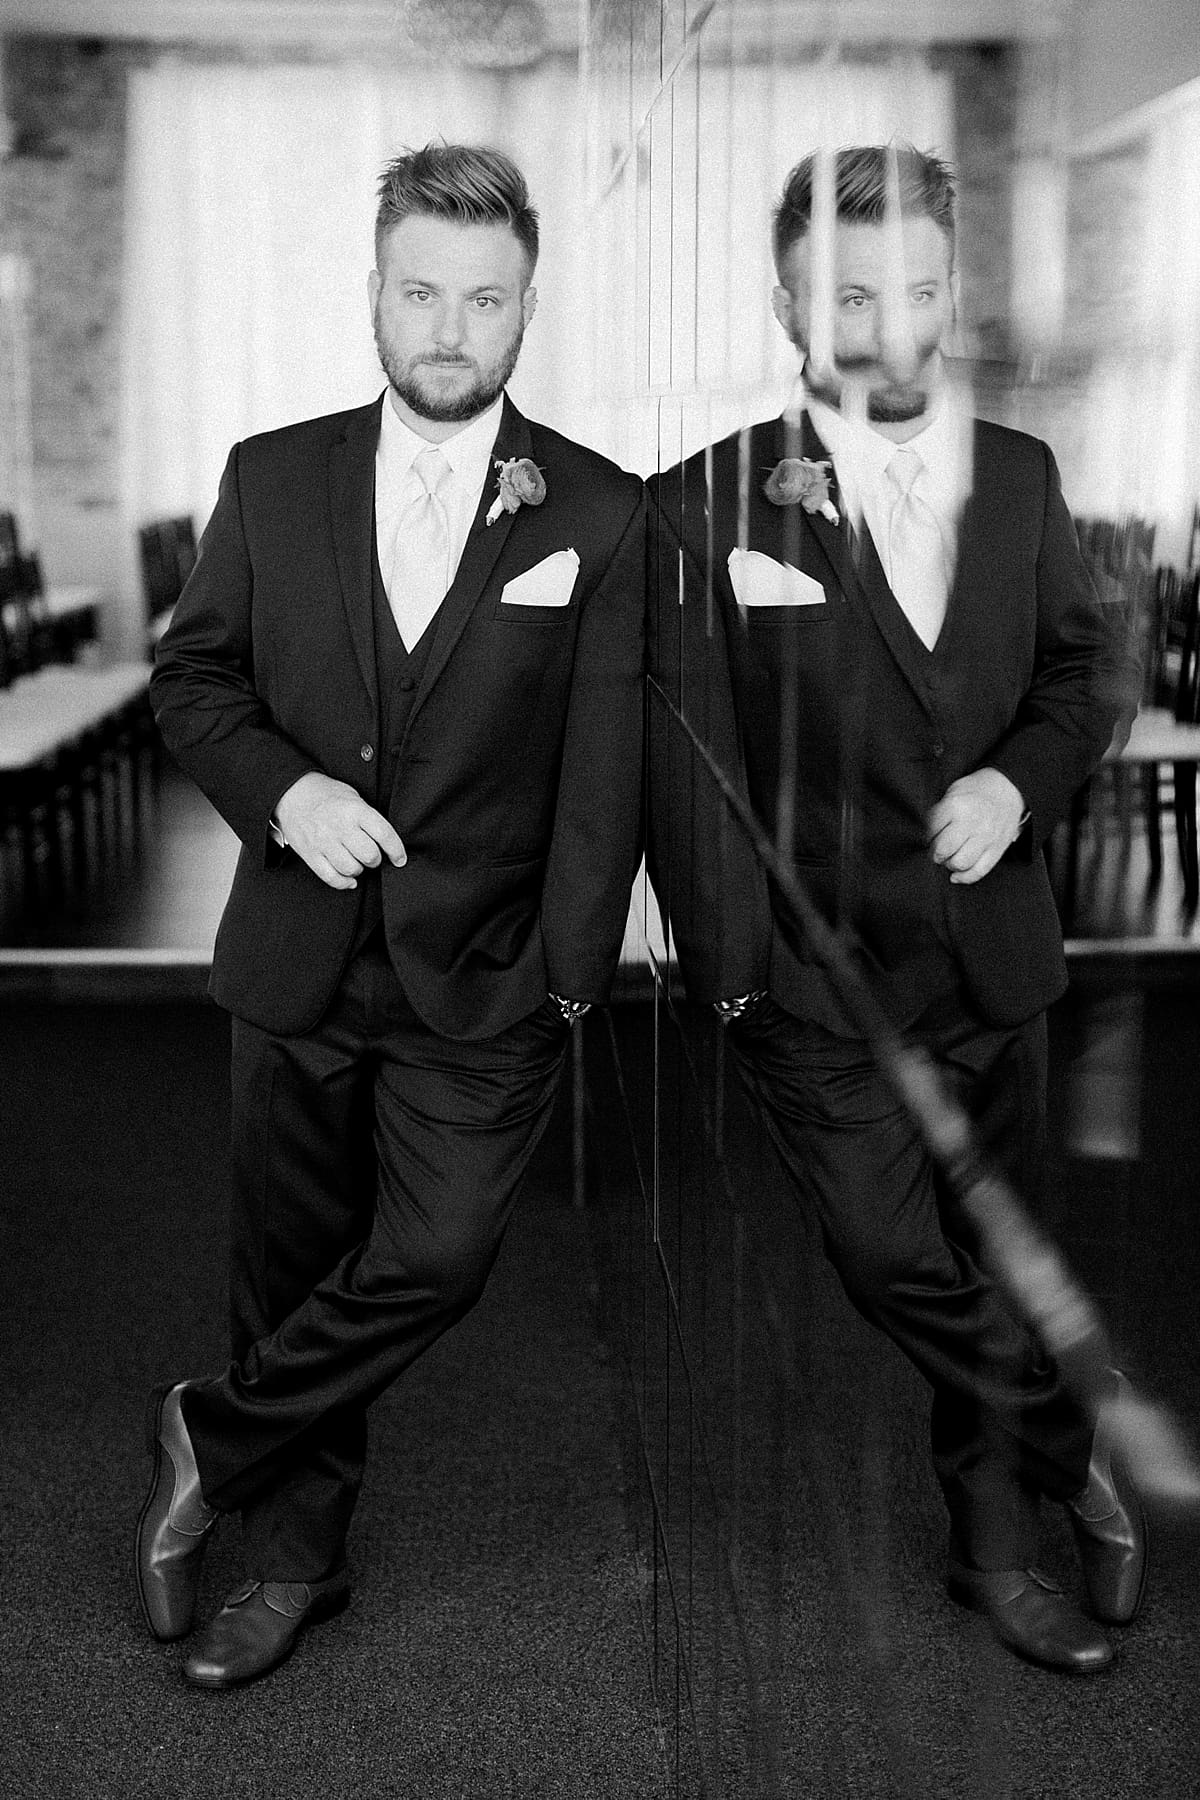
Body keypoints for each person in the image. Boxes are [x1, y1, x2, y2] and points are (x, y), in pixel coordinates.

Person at [139, 143, 644, 1690]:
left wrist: (571, 985)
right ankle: (293, 1563)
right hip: (297, 952)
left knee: (432, 1259)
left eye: (483, 299)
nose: (448, 326)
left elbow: (602, 774)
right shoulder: (269, 476)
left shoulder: (604, 513)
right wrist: (285, 794)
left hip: (486, 979)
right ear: (373, 291)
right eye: (420, 290)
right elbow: (196, 680)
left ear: (527, 309)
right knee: (289, 1272)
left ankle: (206, 1432)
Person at [646, 144, 1143, 1674]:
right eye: (851, 292)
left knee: (991, 1258)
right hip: (816, 977)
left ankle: (997, 1543)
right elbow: (688, 757)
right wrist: (732, 978)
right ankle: (1078, 1434)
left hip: (992, 959)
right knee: (887, 1256)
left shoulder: (1028, 478)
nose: (889, 322)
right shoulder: (701, 506)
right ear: (790, 300)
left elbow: (1081, 680)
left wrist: (1017, 786)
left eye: (918, 288)